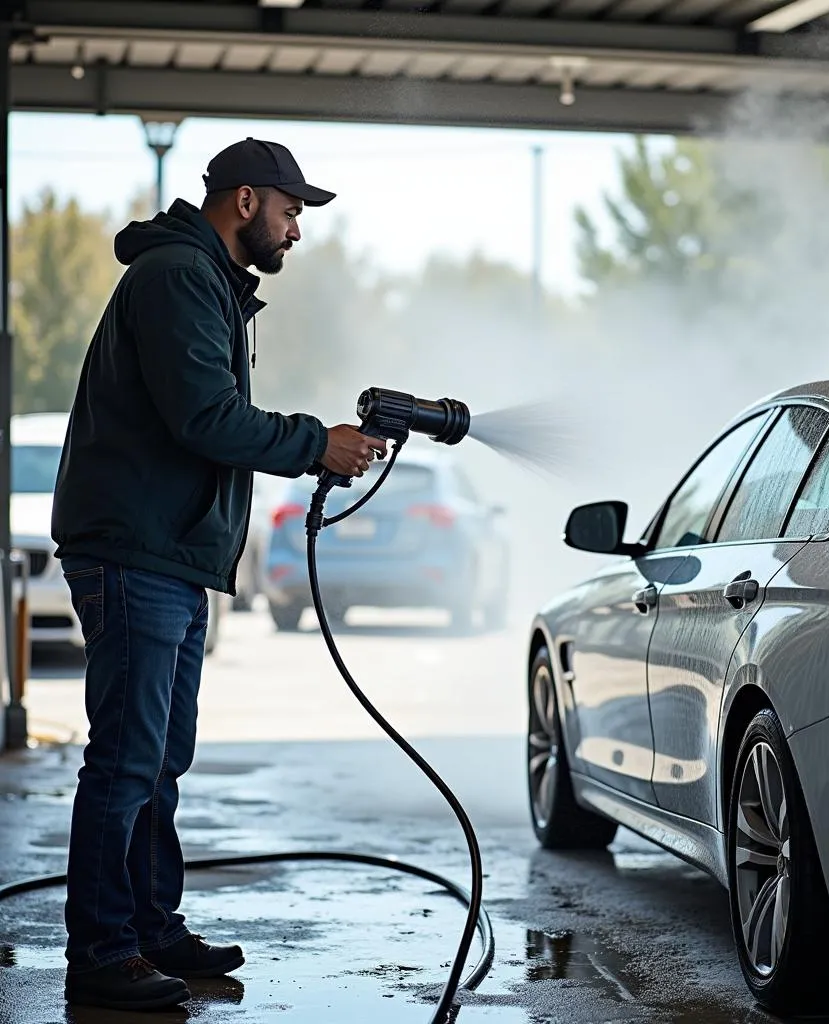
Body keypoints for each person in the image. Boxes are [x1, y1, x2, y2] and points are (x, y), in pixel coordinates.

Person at [50, 138, 387, 1012]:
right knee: (126, 758)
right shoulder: (177, 279)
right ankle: (102, 952)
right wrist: (317, 443)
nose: (296, 231)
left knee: (160, 757)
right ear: (245, 201)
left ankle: (151, 929)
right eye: (290, 212)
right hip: (134, 551)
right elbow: (207, 417)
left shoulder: (204, 284)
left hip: (166, 553)